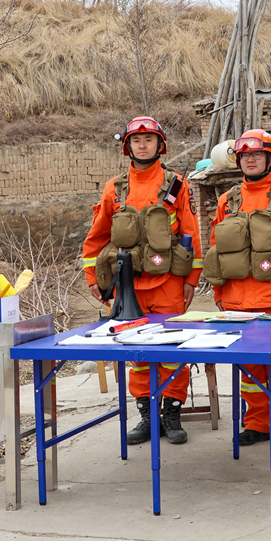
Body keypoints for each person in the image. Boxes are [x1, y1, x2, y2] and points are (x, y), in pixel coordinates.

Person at [82, 116, 202, 446]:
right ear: (128, 147)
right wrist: (93, 278)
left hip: (168, 284)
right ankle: (148, 416)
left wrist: (191, 280)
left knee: (172, 353)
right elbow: (97, 237)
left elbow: (191, 234)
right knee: (136, 353)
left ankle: (172, 415)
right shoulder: (114, 188)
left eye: (149, 139)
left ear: (160, 145)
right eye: (137, 140)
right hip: (127, 286)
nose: (143, 145)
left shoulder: (177, 185)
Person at [205, 129, 271, 446]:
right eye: (245, 155)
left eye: (257, 155)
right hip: (235, 301)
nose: (250, 160)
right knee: (249, 368)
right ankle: (258, 423)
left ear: (270, 158)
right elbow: (216, 251)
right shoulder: (226, 201)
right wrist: (219, 294)